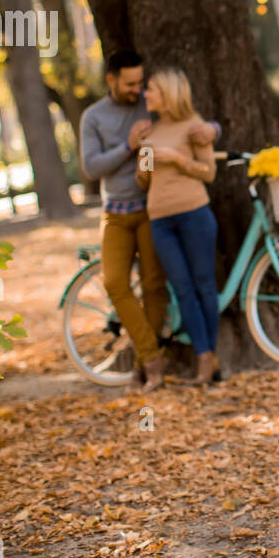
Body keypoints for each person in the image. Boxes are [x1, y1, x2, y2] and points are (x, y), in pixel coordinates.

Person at [79, 50, 220, 390]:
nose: (139, 90)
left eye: (142, 83)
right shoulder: (93, 117)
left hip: (151, 212)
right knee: (115, 283)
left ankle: (153, 366)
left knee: (158, 286)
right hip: (116, 212)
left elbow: (191, 124)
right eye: (130, 84)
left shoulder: (151, 106)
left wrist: (212, 130)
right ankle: (149, 355)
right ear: (111, 79)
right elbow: (91, 167)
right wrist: (130, 148)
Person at [135, 69, 220, 389]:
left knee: (204, 286)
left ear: (168, 93)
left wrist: (175, 158)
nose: (146, 95)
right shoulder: (151, 130)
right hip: (161, 221)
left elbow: (208, 173)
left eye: (152, 90)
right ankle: (206, 356)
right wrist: (144, 159)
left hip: (195, 214)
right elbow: (143, 180)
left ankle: (206, 358)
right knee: (182, 290)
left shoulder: (194, 127)